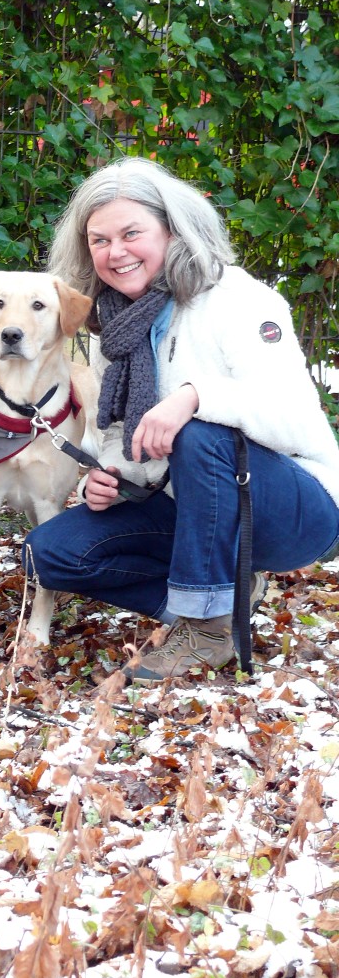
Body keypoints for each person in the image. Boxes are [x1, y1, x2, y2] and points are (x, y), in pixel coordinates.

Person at [23, 157, 339, 681]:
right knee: (50, 553)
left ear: (173, 231)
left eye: (132, 233)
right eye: (100, 240)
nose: (115, 252)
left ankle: (206, 629)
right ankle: (226, 601)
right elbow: (119, 433)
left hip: (296, 509)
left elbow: (293, 418)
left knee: (198, 432)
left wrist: (195, 396)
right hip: (191, 508)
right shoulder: (115, 327)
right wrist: (111, 477)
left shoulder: (235, 298)